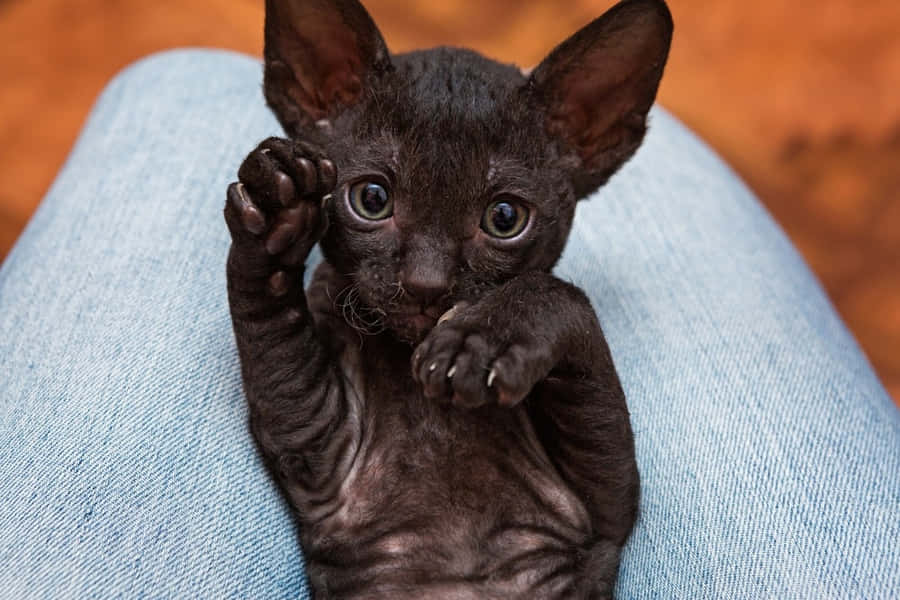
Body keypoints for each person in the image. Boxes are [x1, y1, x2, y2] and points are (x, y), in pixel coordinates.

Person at [1, 50, 897, 599]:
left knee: (166, 88)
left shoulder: (522, 354)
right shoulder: (340, 315)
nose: (428, 276)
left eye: (502, 220)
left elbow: (604, 507)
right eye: (375, 198)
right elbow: (304, 436)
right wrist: (265, 275)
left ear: (594, 142)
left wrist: (553, 316)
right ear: (308, 94)